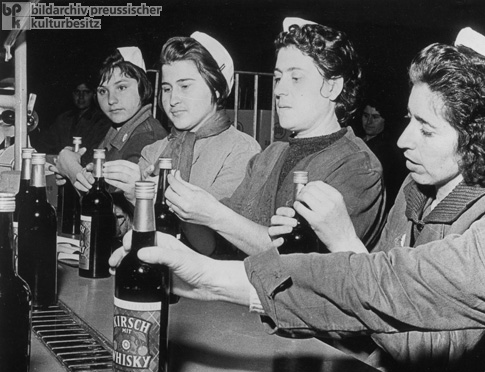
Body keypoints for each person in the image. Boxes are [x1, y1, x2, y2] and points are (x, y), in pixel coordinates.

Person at [111, 0, 485, 372]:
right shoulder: (426, 192)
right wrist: (206, 278)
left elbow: (417, 340)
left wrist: (338, 239)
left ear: (477, 135)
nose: (403, 141)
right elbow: (377, 285)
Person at [269, 33, 485, 372]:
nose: (403, 140)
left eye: (426, 128)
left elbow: (425, 352)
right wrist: (310, 256)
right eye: (408, 119)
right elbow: (376, 317)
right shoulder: (417, 186)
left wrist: (344, 243)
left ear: (478, 137)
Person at [155, 18, 385, 257]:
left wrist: (214, 214)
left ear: (332, 87)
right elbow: (214, 245)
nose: (278, 90)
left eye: (295, 78)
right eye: (277, 78)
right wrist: (183, 206)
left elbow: (307, 267)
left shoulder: (357, 167)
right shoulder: (268, 156)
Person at [125, 32, 261, 255]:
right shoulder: (154, 151)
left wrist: (155, 197)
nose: (173, 99)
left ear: (217, 89)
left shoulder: (243, 152)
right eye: (167, 88)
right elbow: (130, 237)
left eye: (185, 86)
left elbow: (213, 246)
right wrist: (129, 195)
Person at [52, 47, 167, 235]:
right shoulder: (117, 130)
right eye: (102, 91)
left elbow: (118, 220)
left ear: (143, 87)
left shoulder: (146, 138)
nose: (111, 100)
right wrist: (72, 169)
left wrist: (73, 172)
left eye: (122, 87)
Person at [30, 77, 111, 155]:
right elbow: (45, 144)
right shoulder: (63, 119)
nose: (81, 97)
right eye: (77, 92)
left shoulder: (101, 120)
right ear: (72, 94)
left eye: (86, 92)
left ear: (93, 94)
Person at [360, 92, 407, 212]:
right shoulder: (357, 140)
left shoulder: (388, 151)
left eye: (375, 117)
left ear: (385, 120)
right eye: (366, 115)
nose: (369, 122)